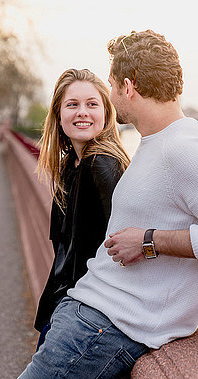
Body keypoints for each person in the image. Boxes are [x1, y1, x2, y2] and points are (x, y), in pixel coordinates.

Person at [0, 30, 198, 379]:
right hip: (86, 316)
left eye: (108, 85)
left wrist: (149, 240)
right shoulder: (154, 143)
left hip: (101, 330)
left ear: (129, 85)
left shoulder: (187, 147)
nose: (107, 96)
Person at [33, 68, 130, 351]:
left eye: (92, 104)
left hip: (85, 313)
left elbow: (119, 245)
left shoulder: (102, 164)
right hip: (65, 304)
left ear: (106, 113)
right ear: (58, 115)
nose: (82, 112)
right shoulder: (70, 165)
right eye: (72, 105)